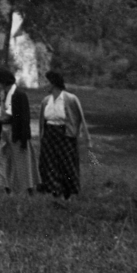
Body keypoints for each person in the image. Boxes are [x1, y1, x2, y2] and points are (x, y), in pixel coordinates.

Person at [36, 70, 91, 199]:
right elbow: (42, 121)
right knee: (49, 163)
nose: (45, 84)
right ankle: (55, 190)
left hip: (65, 135)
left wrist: (86, 137)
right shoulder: (45, 101)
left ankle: (68, 192)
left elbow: (80, 118)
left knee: (66, 164)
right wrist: (42, 136)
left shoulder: (71, 99)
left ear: (54, 83)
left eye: (47, 82)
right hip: (50, 135)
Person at [0, 67, 36, 196]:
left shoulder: (19, 95)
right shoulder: (2, 94)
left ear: (3, 81)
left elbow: (24, 118)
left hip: (16, 131)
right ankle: (7, 188)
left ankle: (29, 190)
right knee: (5, 160)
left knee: (22, 161)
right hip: (5, 130)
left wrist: (23, 138)